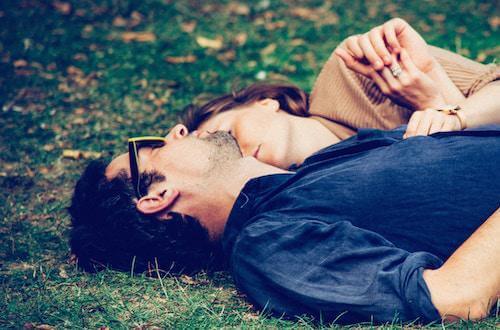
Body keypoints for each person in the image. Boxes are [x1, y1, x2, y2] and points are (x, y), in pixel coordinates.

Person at [69, 125, 500, 324]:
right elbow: (454, 298)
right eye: (150, 147)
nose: (177, 130)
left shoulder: (309, 169)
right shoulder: (266, 245)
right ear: (154, 197)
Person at [182, 18, 499, 169]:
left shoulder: (355, 71)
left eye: (228, 136)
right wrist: (432, 103)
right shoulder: (316, 191)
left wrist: (438, 93)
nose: (239, 154)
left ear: (265, 103)